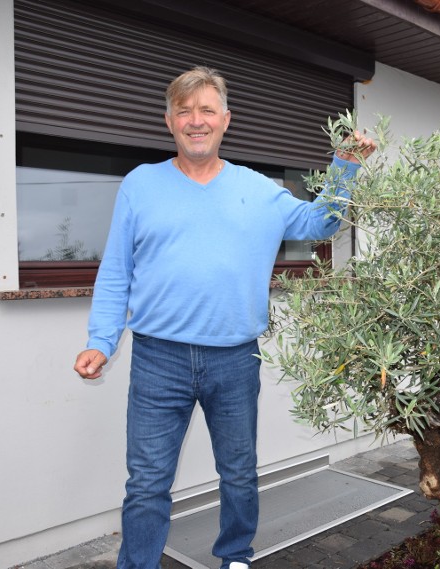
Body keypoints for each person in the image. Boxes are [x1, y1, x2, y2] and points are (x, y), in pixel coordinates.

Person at [74, 66, 375, 569]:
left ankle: (235, 557)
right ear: (169, 121)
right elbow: (116, 272)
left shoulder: (258, 190)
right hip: (157, 359)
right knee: (147, 482)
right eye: (185, 111)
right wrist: (101, 341)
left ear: (225, 120)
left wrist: (344, 165)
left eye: (207, 110)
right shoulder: (140, 185)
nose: (196, 121)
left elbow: (321, 224)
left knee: (238, 472)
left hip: (235, 359)